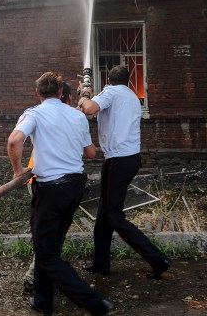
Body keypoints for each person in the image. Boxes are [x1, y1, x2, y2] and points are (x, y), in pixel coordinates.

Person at [8, 72, 113, 316]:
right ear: (59, 92)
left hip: (51, 190)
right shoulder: (77, 116)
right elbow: (91, 153)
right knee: (50, 247)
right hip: (75, 188)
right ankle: (43, 302)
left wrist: (17, 171)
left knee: (45, 253)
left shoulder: (34, 113)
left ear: (37, 93)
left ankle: (94, 302)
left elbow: (14, 141)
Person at [78, 65, 171, 280]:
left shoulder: (110, 92)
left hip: (119, 160)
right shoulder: (131, 95)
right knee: (104, 213)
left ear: (108, 79)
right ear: (127, 80)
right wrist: (90, 97)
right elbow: (96, 109)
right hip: (126, 159)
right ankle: (101, 263)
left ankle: (158, 259)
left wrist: (84, 95)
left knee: (113, 215)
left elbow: (89, 109)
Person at [21, 81, 73, 295]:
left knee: (50, 236)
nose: (72, 103)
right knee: (48, 238)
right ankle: (34, 279)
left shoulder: (49, 116)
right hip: (45, 183)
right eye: (70, 98)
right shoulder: (60, 116)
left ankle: (43, 277)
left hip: (47, 182)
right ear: (63, 97)